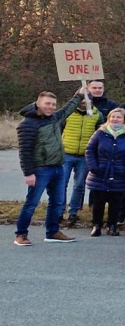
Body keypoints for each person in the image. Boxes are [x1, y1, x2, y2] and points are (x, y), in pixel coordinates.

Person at [14, 88, 84, 245]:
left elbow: (67, 109)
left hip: (58, 167)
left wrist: (79, 95)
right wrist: (28, 173)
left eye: (53, 104)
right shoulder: (27, 125)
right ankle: (21, 234)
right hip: (40, 169)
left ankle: (52, 232)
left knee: (57, 202)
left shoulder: (54, 118)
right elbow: (25, 151)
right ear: (38, 103)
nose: (50, 107)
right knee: (31, 203)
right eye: (47, 103)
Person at [84, 107, 125, 237]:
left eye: (119, 117)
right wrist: (93, 167)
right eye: (113, 117)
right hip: (100, 173)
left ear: (124, 120)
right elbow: (90, 150)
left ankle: (112, 225)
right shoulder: (100, 133)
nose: (115, 119)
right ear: (108, 118)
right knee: (98, 203)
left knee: (115, 203)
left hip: (119, 174)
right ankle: (96, 225)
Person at [58, 84, 104, 228]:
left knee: (79, 185)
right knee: (61, 183)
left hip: (84, 156)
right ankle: (59, 211)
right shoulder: (67, 114)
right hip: (66, 154)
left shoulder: (97, 115)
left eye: (87, 99)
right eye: (81, 99)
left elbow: (100, 135)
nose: (84, 102)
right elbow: (57, 131)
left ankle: (73, 211)